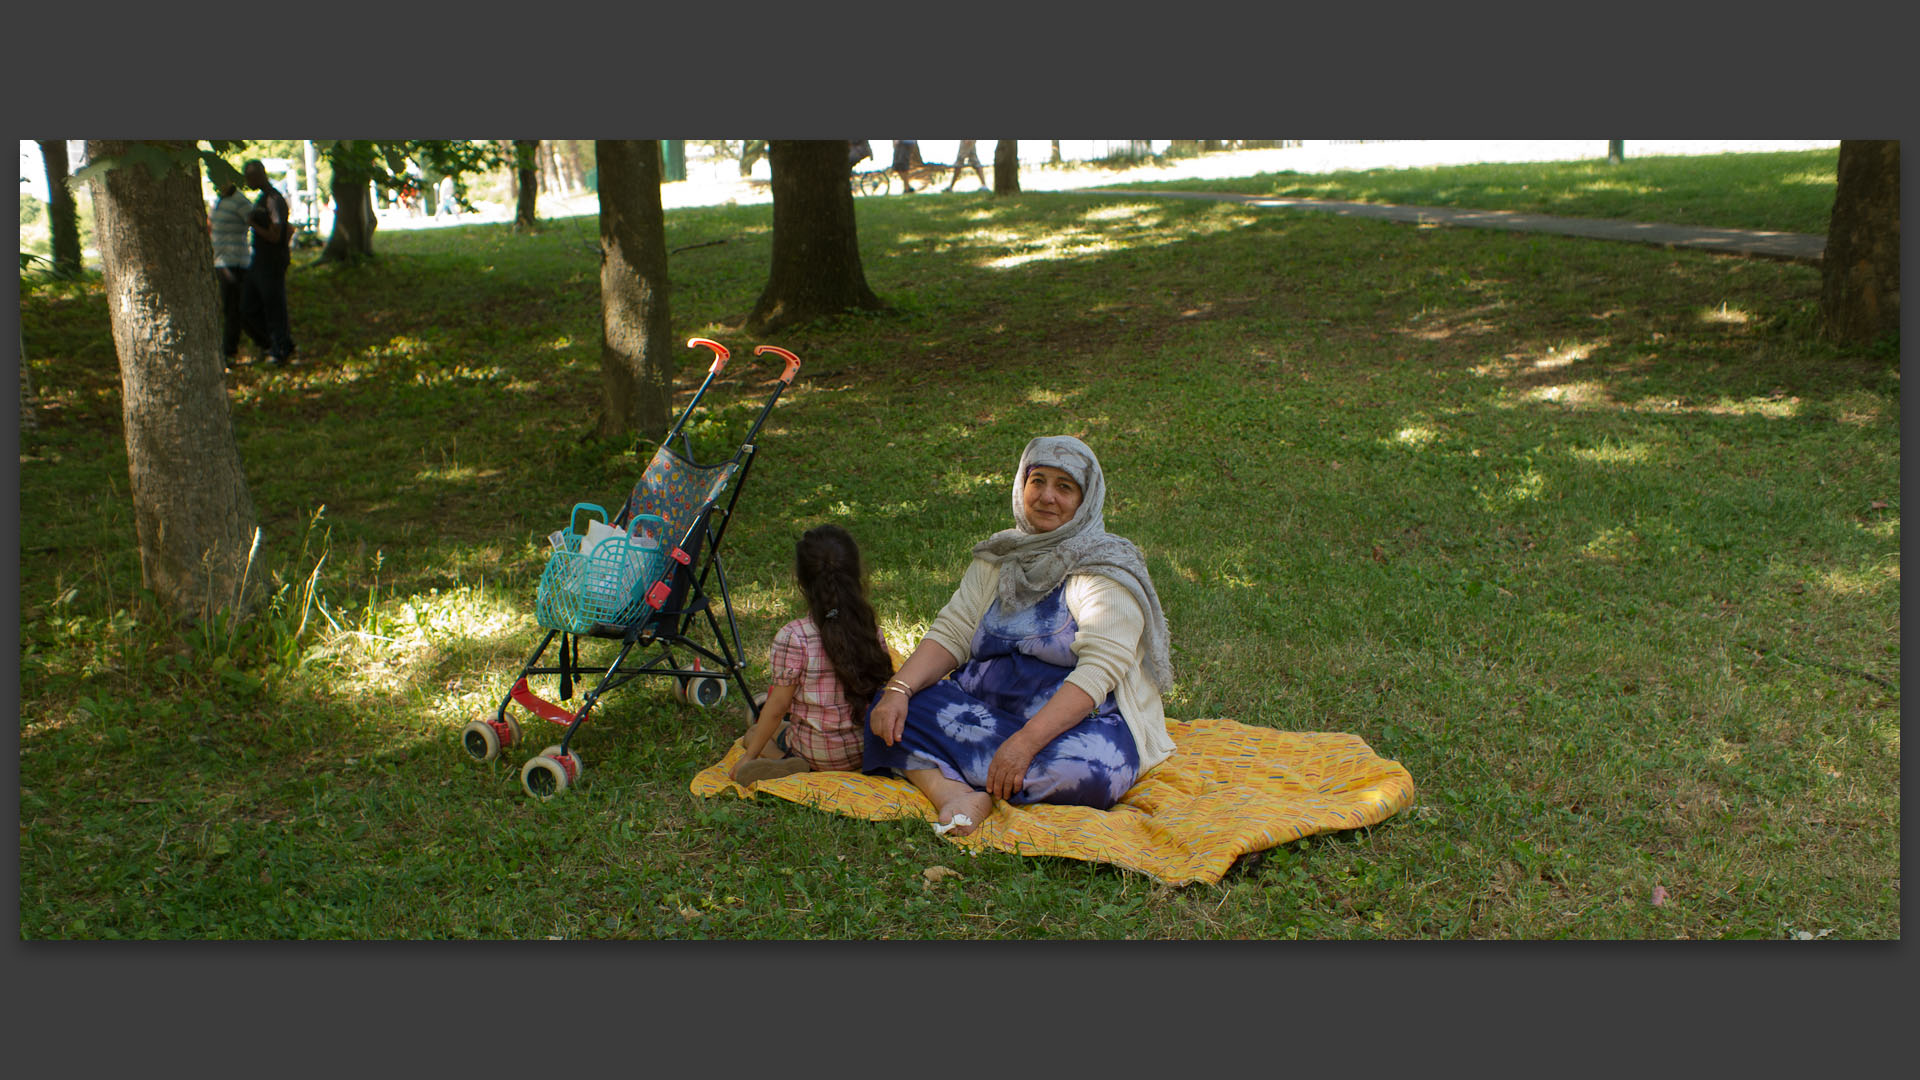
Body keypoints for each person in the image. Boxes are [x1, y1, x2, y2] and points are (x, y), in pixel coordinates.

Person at [865, 436, 1175, 836]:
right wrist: (899, 689)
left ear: (1086, 498)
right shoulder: (1000, 555)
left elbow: (1102, 669)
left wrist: (1025, 744)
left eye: (1064, 487)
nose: (1046, 496)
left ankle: (953, 771)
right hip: (984, 711)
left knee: (1090, 774)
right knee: (887, 710)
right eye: (1037, 481)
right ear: (1021, 486)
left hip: (1074, 724)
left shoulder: (1105, 568)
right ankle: (954, 793)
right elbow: (954, 630)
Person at [733, 525, 895, 784]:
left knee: (753, 734)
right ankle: (793, 764)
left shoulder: (794, 636)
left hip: (816, 753)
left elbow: (777, 708)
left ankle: (786, 764)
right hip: (865, 749)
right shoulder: (868, 629)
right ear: (855, 574)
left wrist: (748, 758)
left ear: (802, 581)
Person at [239, 159, 297, 365]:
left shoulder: (273, 199)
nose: (247, 181)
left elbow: (276, 234)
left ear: (260, 175)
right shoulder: (262, 199)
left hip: (271, 262)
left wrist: (253, 225)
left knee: (274, 307)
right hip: (259, 260)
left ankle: (281, 349)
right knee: (247, 307)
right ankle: (271, 344)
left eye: (250, 176)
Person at [207, 179, 253, 368]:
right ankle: (230, 348)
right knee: (230, 307)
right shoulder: (219, 201)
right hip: (221, 261)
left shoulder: (240, 201)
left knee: (234, 308)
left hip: (235, 262)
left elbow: (253, 222)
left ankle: (230, 350)